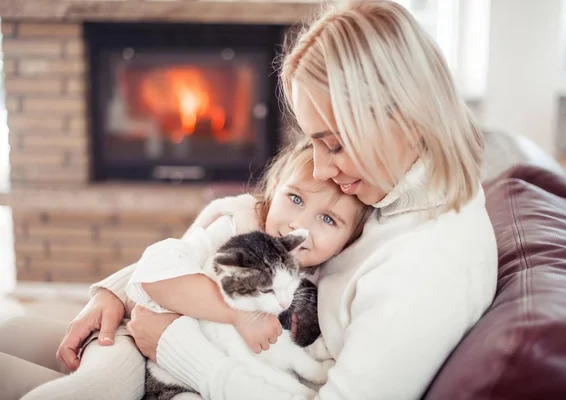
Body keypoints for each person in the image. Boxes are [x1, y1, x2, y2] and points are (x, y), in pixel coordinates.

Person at [1, 0, 499, 399]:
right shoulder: (387, 190)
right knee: (14, 331)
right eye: (314, 143)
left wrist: (171, 344)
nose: (322, 168)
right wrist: (117, 290)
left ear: (405, 118)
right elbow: (241, 233)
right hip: (171, 333)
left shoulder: (430, 263)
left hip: (185, 361)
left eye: (336, 143)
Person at [0, 141, 370, 400]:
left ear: (351, 237)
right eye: (295, 199)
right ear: (274, 189)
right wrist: (237, 317)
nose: (297, 225)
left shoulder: (326, 279)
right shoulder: (237, 225)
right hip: (139, 337)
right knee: (100, 388)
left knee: (21, 340)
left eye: (327, 219)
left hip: (181, 372)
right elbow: (160, 266)